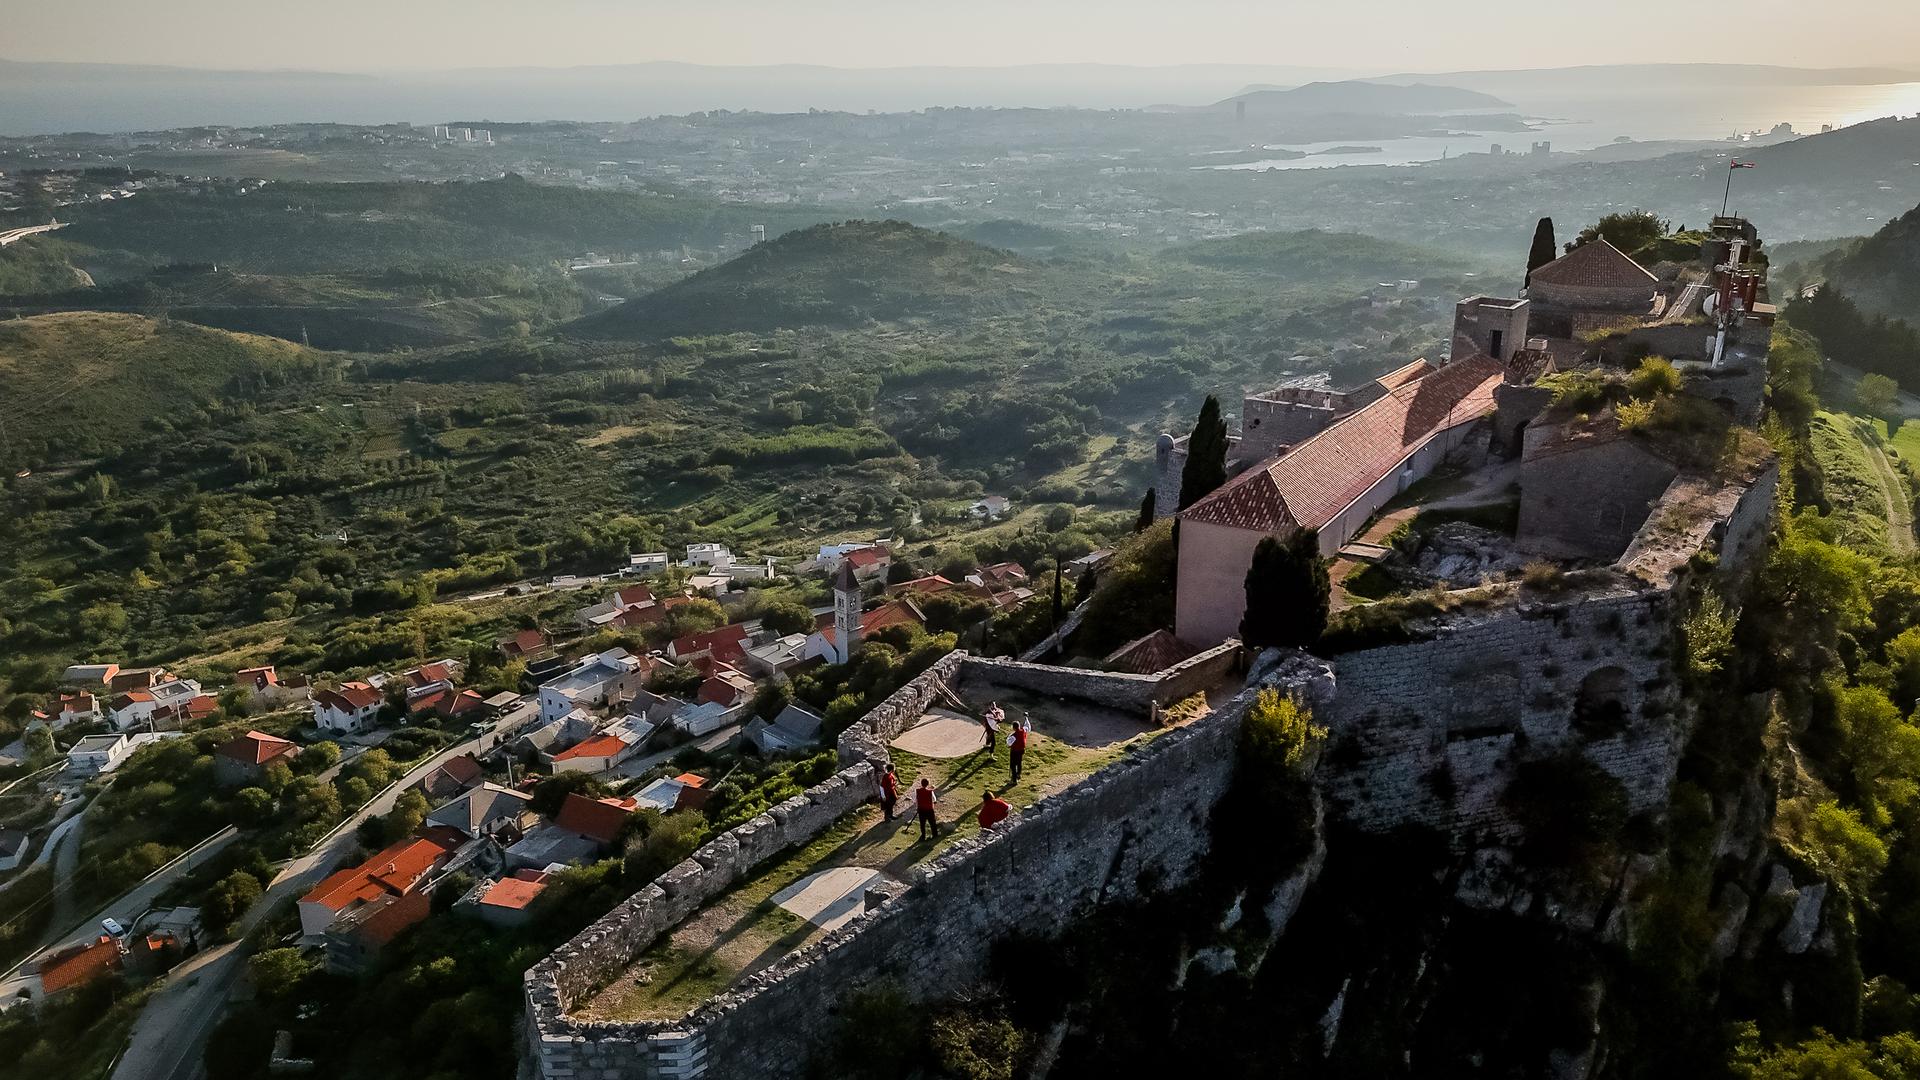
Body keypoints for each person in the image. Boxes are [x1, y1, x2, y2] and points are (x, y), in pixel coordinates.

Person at [1008, 714, 1029, 785]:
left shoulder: (1013, 736)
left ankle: (1014, 780)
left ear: (1013, 728)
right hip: (1021, 750)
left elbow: (1008, 743)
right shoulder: (1023, 731)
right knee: (1019, 763)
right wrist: (1026, 717)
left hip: (1015, 751)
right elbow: (1027, 726)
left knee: (1013, 765)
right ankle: (1018, 774)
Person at [914, 777, 938, 841]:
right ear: (927, 784)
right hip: (929, 809)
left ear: (921, 784)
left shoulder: (918, 791)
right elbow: (934, 799)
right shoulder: (930, 792)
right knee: (932, 822)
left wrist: (917, 807)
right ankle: (935, 834)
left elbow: (916, 800)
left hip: (921, 809)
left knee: (922, 823)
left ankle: (923, 836)